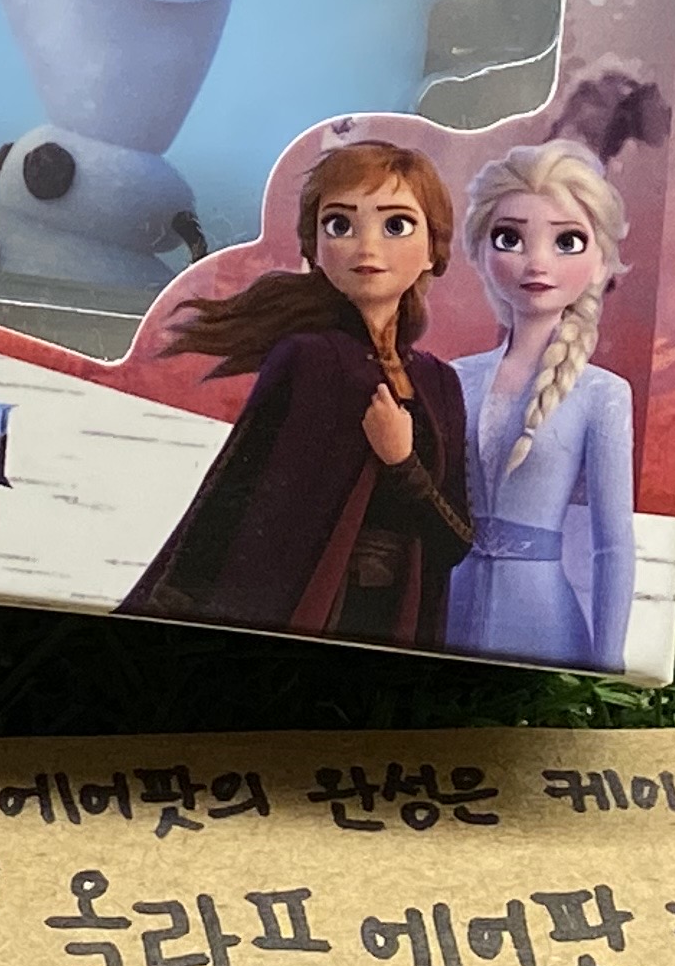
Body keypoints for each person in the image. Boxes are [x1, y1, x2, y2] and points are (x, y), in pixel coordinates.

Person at [121, 139, 474, 645]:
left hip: (398, 627)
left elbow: (455, 540)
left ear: (433, 249)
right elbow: (233, 498)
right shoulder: (311, 360)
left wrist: (402, 463)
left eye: (396, 225)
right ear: (314, 246)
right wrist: (171, 607)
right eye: (340, 225)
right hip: (304, 615)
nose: (366, 246)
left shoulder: (440, 383)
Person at [442, 139, 638, 673]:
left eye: (567, 241)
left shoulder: (602, 394)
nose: (537, 262)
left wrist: (607, 660)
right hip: (448, 611)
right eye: (510, 238)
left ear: (600, 263)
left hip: (544, 624)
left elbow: (612, 545)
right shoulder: (455, 378)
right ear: (481, 251)